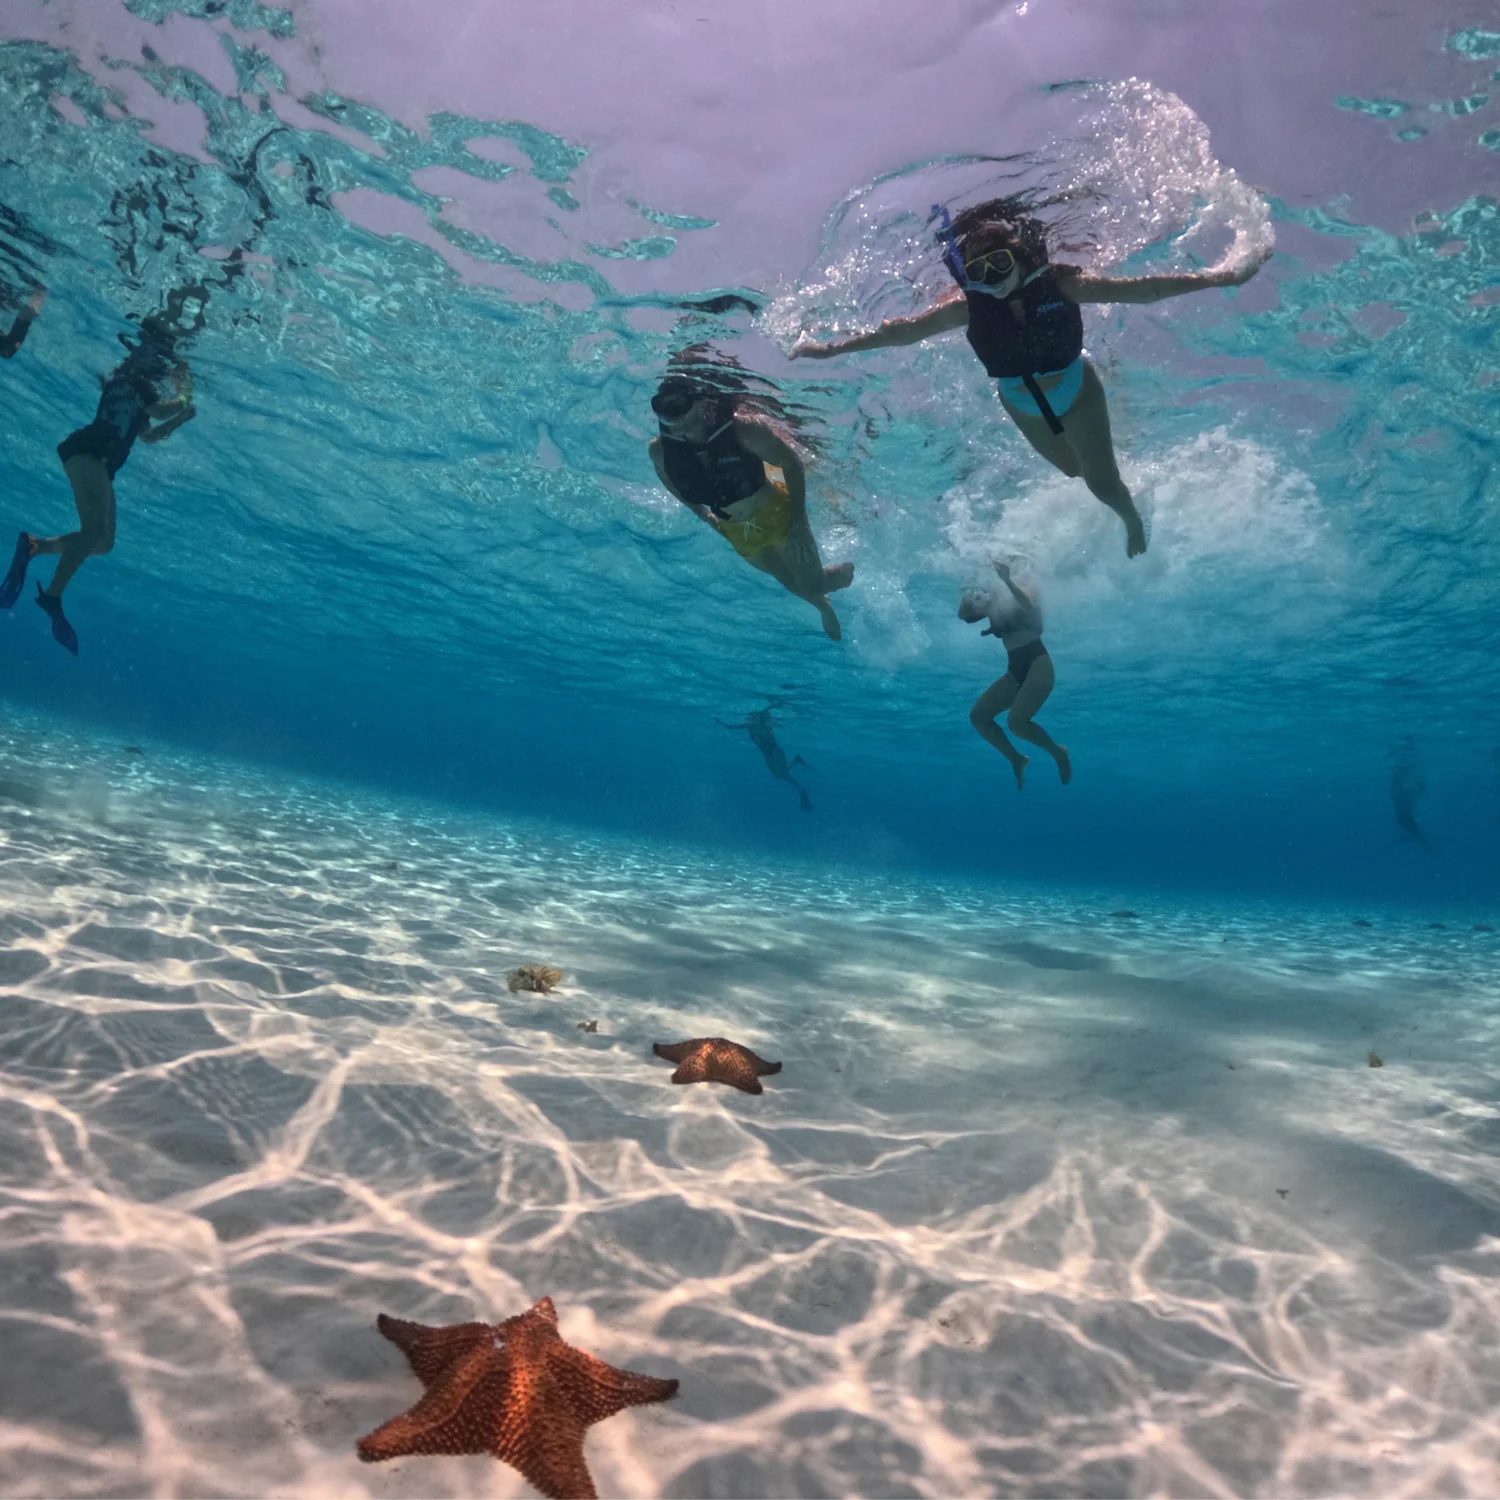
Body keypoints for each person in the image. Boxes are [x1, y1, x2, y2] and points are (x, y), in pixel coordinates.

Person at [793, 196, 1269, 558]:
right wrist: (829, 349)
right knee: (1070, 468)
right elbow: (899, 333)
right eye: (980, 271)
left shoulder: (1062, 284)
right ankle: (1105, 463)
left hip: (1076, 389)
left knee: (1101, 485)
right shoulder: (966, 308)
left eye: (1001, 264)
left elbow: (1146, 290)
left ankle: (1131, 518)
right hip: (1019, 402)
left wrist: (1219, 277)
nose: (993, 278)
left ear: (1022, 257)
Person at [0, 291, 201, 654]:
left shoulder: (136, 395)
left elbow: (150, 434)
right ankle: (53, 596)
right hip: (87, 455)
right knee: (92, 531)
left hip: (96, 464)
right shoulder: (132, 380)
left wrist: (182, 418)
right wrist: (184, 398)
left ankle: (36, 547)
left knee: (103, 543)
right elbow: (157, 411)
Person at [649, 375, 854, 640]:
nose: (673, 416)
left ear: (700, 403)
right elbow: (674, 486)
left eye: (679, 404)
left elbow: (791, 464)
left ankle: (842, 576)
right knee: (785, 578)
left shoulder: (743, 430)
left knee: (812, 584)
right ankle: (822, 606)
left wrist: (799, 519)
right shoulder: (660, 452)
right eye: (664, 407)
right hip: (736, 532)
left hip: (778, 515)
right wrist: (706, 517)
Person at [958, 559, 1070, 790]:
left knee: (1017, 723)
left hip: (1038, 663)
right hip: (1015, 669)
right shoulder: (994, 600)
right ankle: (1016, 759)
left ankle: (1057, 752)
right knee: (978, 716)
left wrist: (1007, 580)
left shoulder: (1027, 586)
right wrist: (968, 587)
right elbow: (964, 615)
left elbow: (1028, 605)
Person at [715, 706, 814, 811]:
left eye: (752, 716)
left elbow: (767, 714)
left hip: (775, 751)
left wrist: (773, 705)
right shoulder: (750, 725)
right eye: (750, 717)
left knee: (782, 774)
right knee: (778, 774)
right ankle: (798, 770)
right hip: (767, 754)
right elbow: (731, 727)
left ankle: (801, 789)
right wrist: (720, 722)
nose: (750, 718)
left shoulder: (764, 725)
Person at [0, 284, 44, 359]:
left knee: (25, 316)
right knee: (26, 314)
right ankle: (38, 296)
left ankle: (36, 299)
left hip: (8, 347)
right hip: (7, 349)